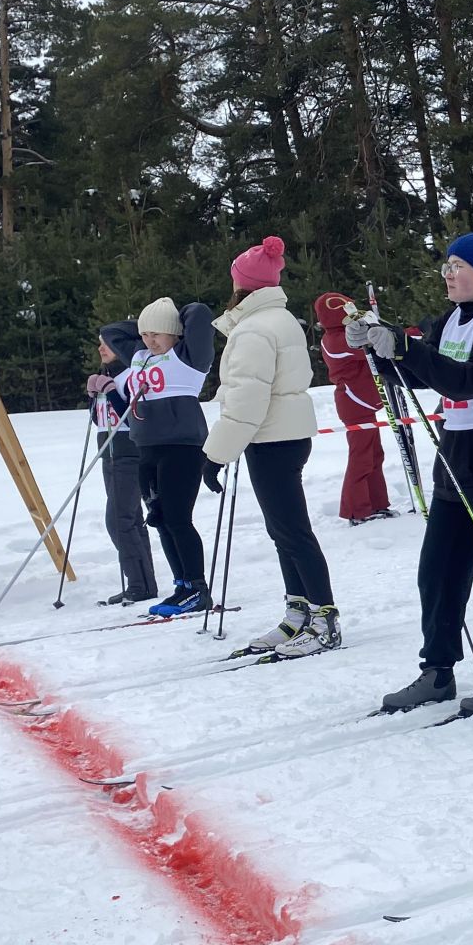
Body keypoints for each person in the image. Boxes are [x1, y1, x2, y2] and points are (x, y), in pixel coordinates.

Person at [366, 232, 473, 716]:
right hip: (457, 454)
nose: (448, 274)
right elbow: (428, 374)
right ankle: (438, 670)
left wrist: (404, 348)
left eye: (458, 266)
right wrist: (383, 352)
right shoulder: (453, 319)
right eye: (446, 266)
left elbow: (469, 382)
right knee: (439, 571)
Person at [204, 236, 341, 658]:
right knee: (283, 529)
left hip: (272, 437)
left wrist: (214, 454)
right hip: (283, 434)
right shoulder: (275, 320)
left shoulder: (254, 330)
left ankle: (324, 617)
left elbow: (246, 400)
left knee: (292, 530)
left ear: (241, 285)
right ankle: (299, 610)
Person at [130, 294, 217, 618]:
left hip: (182, 447)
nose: (149, 340)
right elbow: (113, 332)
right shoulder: (141, 356)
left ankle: (197, 587)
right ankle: (182, 584)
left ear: (175, 334)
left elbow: (201, 313)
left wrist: (173, 317)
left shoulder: (189, 358)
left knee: (179, 519)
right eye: (144, 334)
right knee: (160, 519)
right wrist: (151, 324)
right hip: (147, 447)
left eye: (157, 333)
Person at [86, 321, 156, 605]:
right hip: (109, 453)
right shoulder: (109, 375)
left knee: (118, 520)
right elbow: (102, 420)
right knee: (130, 519)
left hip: (129, 453)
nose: (102, 347)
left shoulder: (131, 375)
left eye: (108, 342)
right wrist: (94, 396)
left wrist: (112, 392)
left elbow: (132, 418)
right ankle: (143, 583)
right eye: (100, 342)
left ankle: (139, 583)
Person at [313, 291, 395, 526]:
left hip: (363, 402)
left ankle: (377, 502)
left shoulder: (343, 334)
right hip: (353, 402)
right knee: (361, 458)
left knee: (374, 455)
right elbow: (366, 347)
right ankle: (356, 510)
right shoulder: (335, 340)